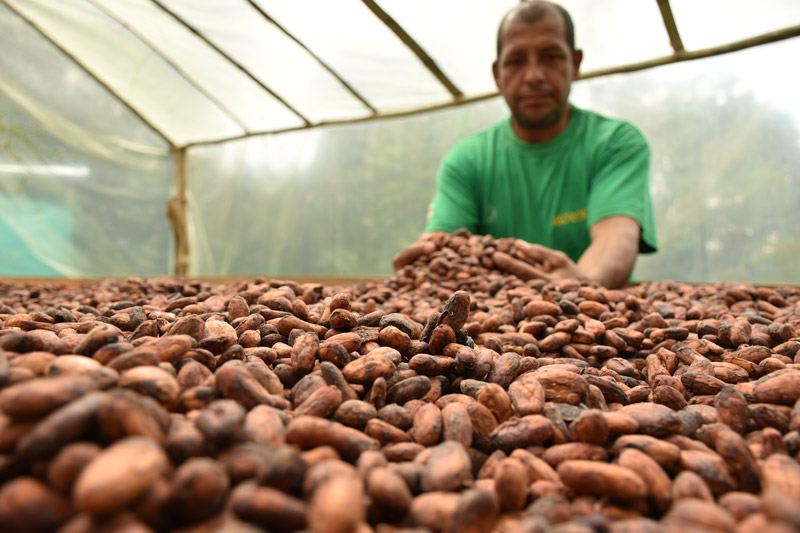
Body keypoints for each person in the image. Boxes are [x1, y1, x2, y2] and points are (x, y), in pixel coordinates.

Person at [393, 0, 657, 289]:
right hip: (486, 324)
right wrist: (422, 266)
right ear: (497, 74)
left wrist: (581, 286)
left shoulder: (614, 143)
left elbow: (615, 240)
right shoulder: (467, 159)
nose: (534, 76)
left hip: (599, 319)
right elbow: (444, 252)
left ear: (576, 63)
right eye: (516, 61)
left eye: (551, 56)